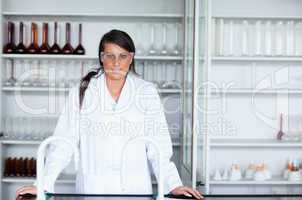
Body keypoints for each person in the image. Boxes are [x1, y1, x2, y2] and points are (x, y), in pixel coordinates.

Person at [16, 29, 202, 199]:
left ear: (131, 58)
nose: (116, 63)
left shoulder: (146, 91)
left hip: (134, 189)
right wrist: (42, 185)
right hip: (94, 188)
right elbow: (63, 143)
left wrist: (173, 185)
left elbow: (158, 146)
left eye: (122, 56)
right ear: (101, 58)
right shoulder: (82, 91)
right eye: (110, 56)